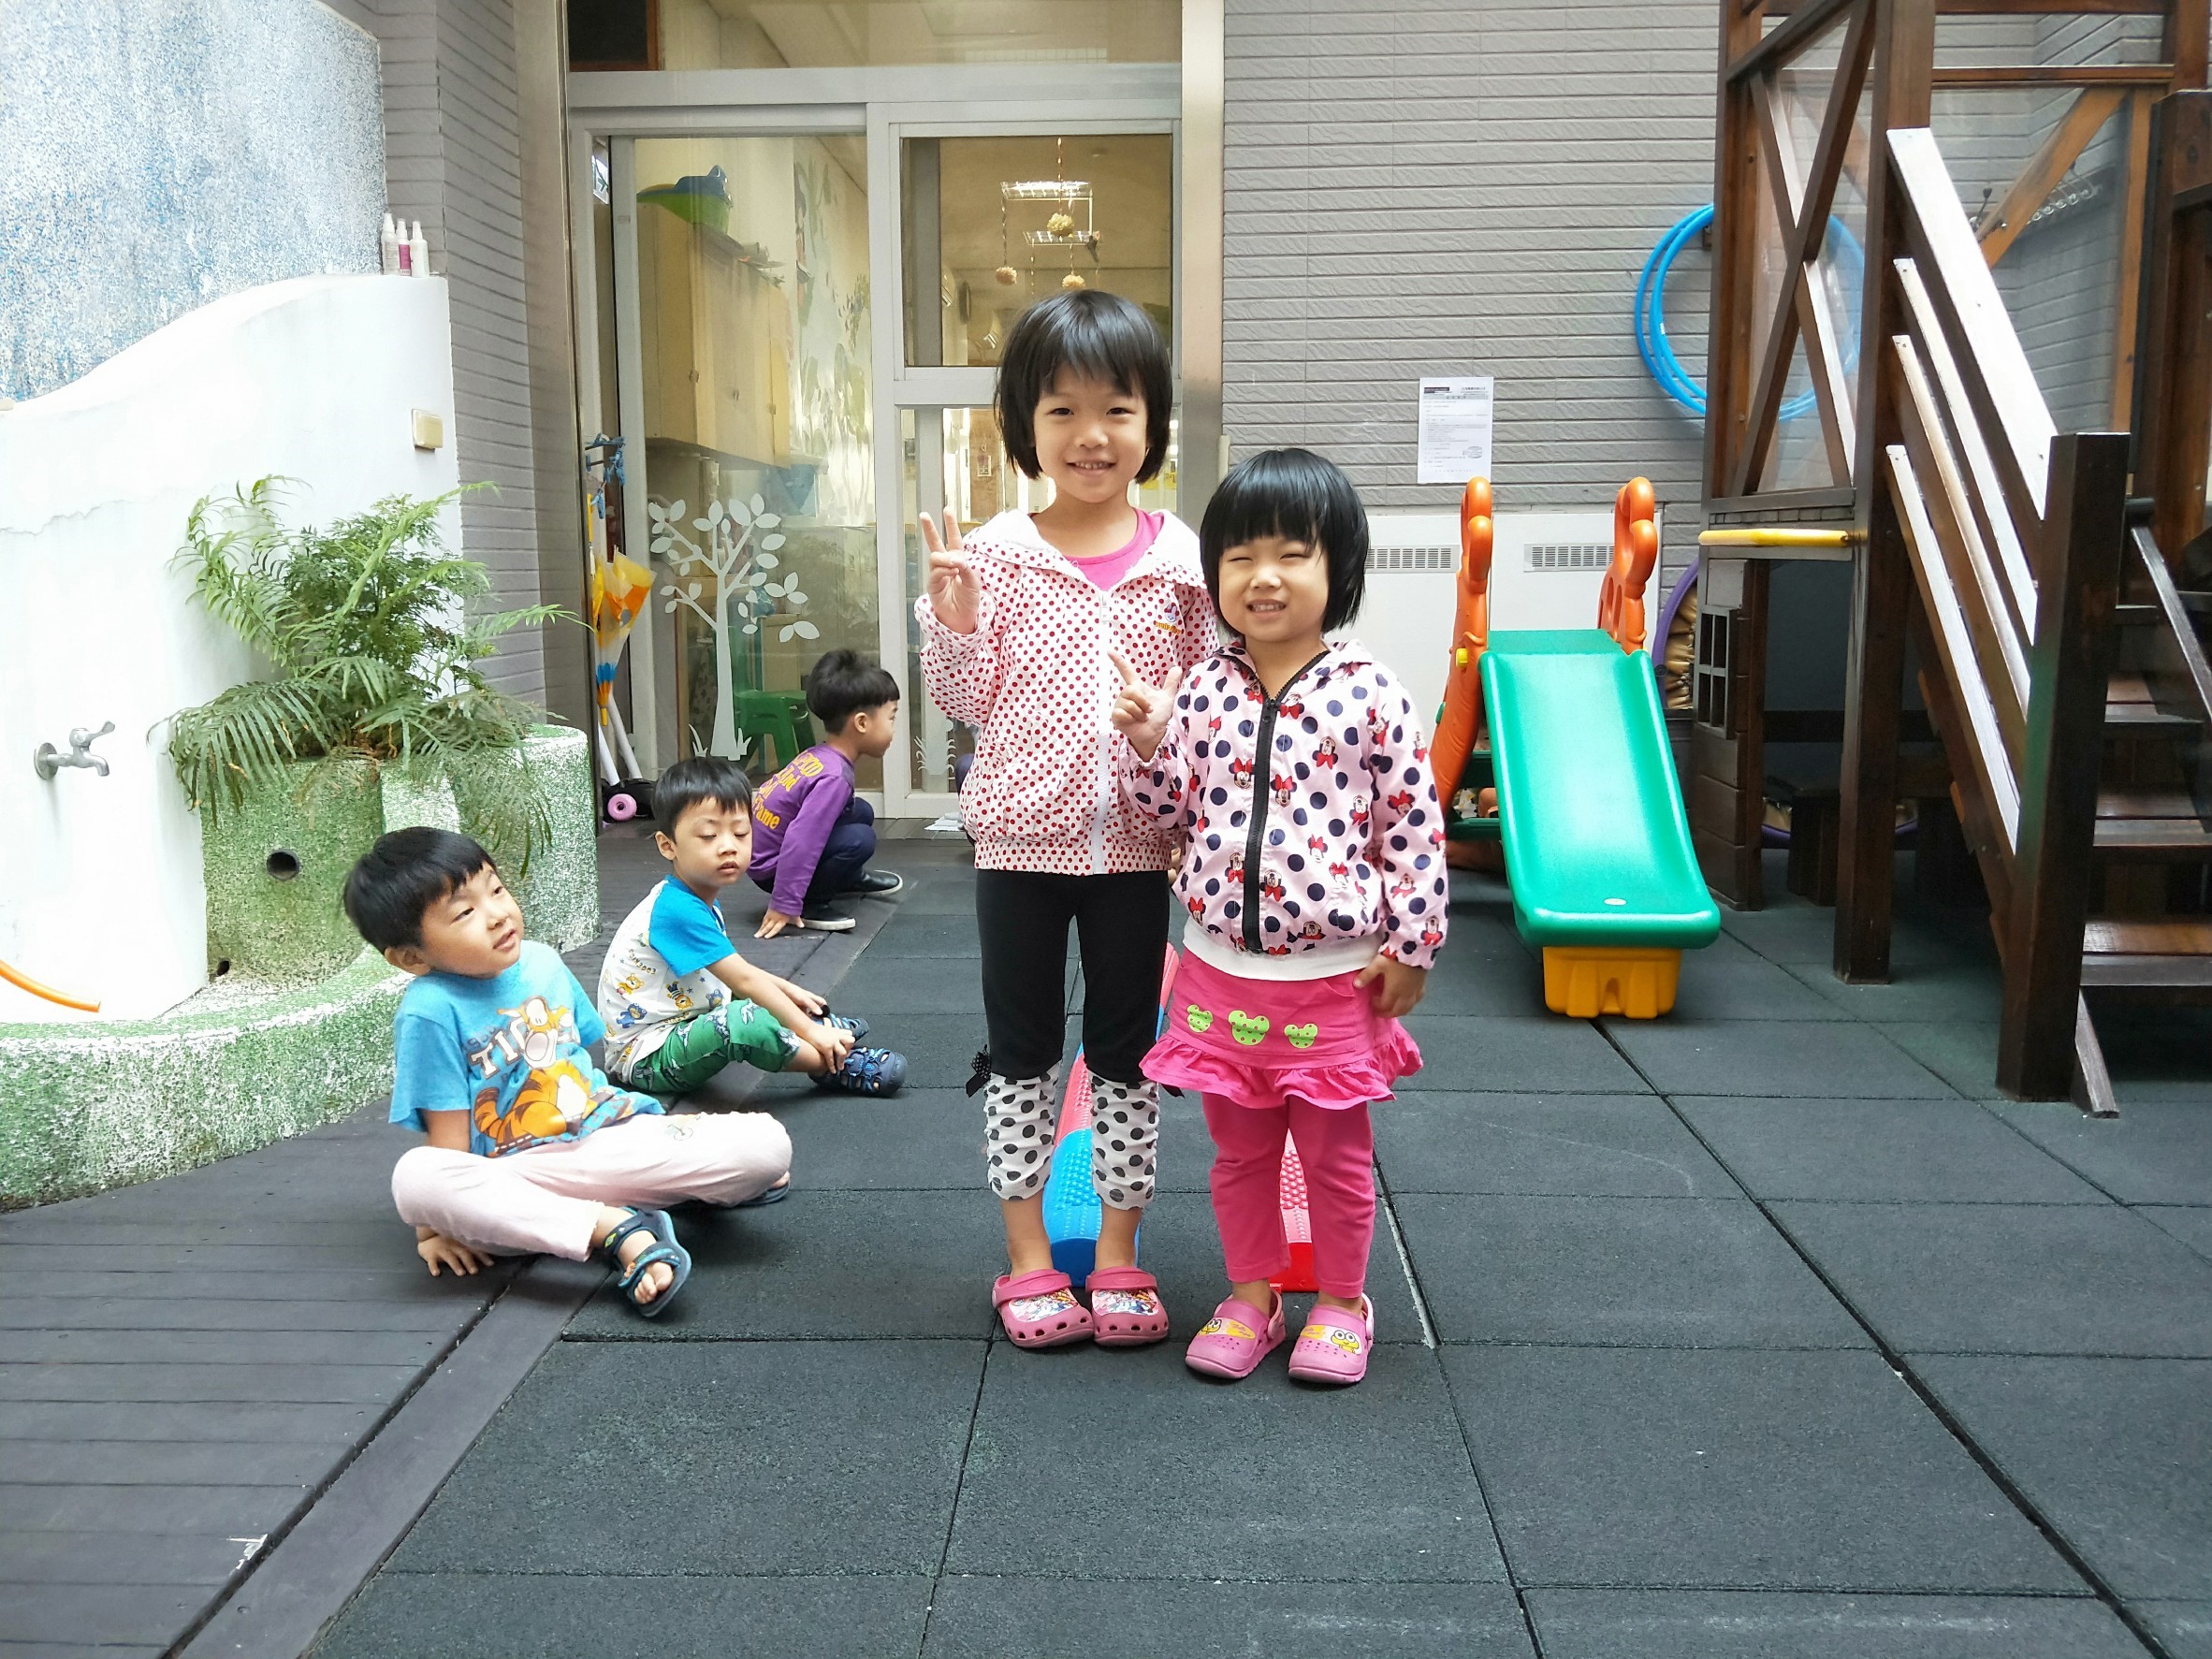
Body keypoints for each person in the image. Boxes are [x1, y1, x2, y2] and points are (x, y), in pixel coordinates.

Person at [917, 287, 1216, 1349]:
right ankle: (1028, 1258)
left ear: (1153, 423)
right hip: (1019, 849)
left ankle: (1122, 1254)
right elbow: (962, 697)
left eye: (1118, 409)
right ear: (1025, 425)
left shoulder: (1182, 562)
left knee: (1130, 1054)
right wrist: (955, 621)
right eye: (1063, 411)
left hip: (1137, 849)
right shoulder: (997, 552)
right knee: (1023, 1052)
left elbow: (1209, 701)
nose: (1092, 435)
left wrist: (1167, 735)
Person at [1111, 447, 1448, 1387]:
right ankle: (1251, 1296)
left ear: (1339, 568)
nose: (1264, 577)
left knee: (1335, 1155)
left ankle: (1341, 1302)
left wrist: (1413, 944)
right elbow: (1168, 812)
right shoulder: (1203, 688)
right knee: (1239, 1155)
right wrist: (1147, 745)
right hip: (1220, 972)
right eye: (1240, 557)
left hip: (1332, 977)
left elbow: (1413, 829)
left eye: (1292, 554)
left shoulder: (1371, 692)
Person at [346, 826, 792, 1318]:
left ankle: (628, 1199)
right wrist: (433, 1228)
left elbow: (579, 1065)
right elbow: (448, 1144)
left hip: (603, 1138)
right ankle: (617, 1229)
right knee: (416, 1178)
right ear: (411, 958)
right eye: (465, 913)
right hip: (519, 1175)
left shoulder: (542, 962)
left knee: (766, 1147)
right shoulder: (429, 1012)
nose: (497, 915)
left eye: (496, 889)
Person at [596, 757, 908, 1099]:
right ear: (667, 845)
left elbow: (733, 971)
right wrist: (810, 1031)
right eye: (709, 835)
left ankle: (812, 1034)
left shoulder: (694, 899)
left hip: (683, 1022)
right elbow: (742, 979)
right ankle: (830, 1062)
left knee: (763, 997)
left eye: (740, 832)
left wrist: (787, 991)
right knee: (741, 1021)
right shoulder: (676, 910)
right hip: (647, 1056)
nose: (728, 845)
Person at [749, 648, 905, 937]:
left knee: (860, 811)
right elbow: (802, 838)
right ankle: (810, 902)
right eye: (891, 718)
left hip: (769, 853)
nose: (893, 729)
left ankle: (845, 879)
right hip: (773, 869)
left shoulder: (821, 755)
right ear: (862, 723)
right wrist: (785, 902)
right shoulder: (834, 778)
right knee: (860, 839)